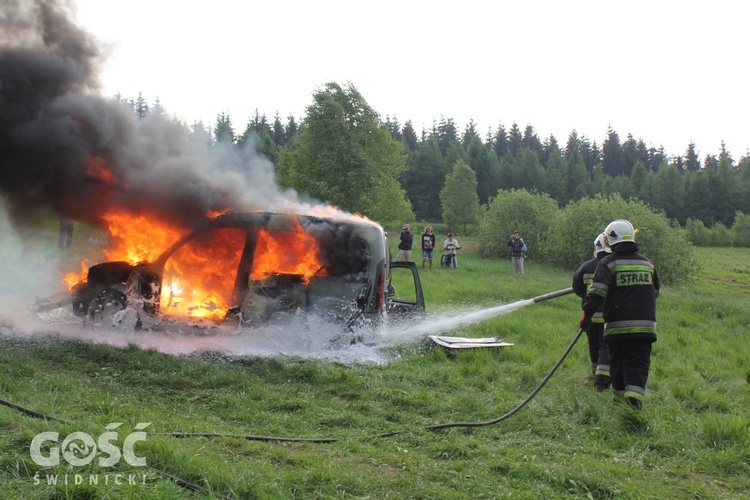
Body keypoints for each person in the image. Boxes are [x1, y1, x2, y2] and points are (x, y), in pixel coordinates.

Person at [582, 219, 660, 410]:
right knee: (638, 364)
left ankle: (619, 402)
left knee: (617, 365)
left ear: (609, 240)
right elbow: (655, 291)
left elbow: (596, 293)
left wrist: (587, 315)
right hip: (645, 327)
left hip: (617, 328)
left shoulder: (608, 263)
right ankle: (634, 402)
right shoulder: (647, 264)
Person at [572, 232, 612, 391]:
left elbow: (577, 289)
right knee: (605, 348)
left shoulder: (586, 267)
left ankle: (595, 373)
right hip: (608, 317)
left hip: (589, 316)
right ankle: (601, 380)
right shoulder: (613, 264)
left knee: (594, 346)